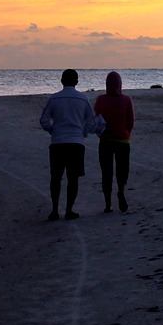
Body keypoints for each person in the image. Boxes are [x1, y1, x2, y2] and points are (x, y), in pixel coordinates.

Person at [38, 69, 103, 221]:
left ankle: (54, 210)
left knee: (56, 177)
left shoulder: (54, 99)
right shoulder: (83, 99)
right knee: (73, 178)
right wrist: (83, 132)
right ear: (76, 82)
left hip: (58, 142)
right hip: (75, 142)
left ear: (62, 81)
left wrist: (53, 130)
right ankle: (69, 210)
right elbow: (92, 121)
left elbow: (44, 121)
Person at [94, 71, 135, 213]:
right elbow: (130, 121)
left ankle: (108, 204)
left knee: (106, 172)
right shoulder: (126, 100)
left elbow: (96, 119)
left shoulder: (101, 100)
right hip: (123, 139)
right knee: (122, 170)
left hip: (106, 139)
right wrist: (126, 133)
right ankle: (121, 191)